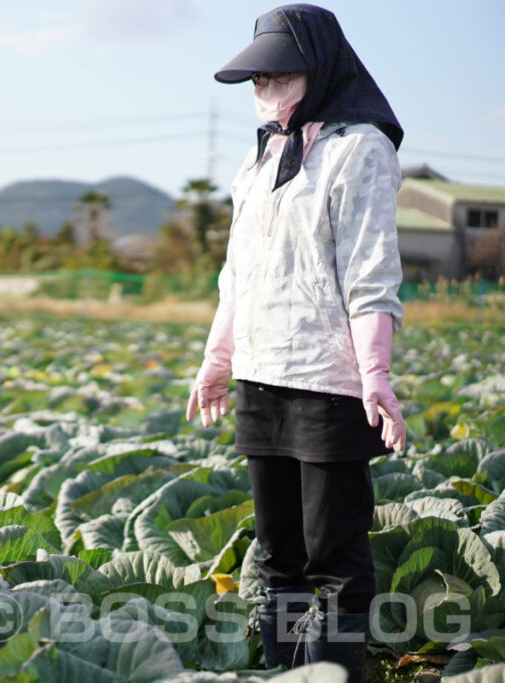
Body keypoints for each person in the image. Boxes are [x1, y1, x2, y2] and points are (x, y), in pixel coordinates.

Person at [185, 5, 406, 682]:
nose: (266, 89)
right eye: (259, 78)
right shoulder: (256, 166)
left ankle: (332, 673)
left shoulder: (358, 148)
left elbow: (371, 275)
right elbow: (237, 279)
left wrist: (374, 372)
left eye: (280, 74)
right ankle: (286, 670)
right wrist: (218, 360)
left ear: (321, 68)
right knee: (277, 551)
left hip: (326, 380)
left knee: (335, 556)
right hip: (260, 378)